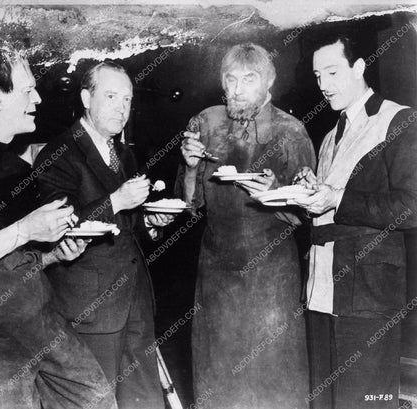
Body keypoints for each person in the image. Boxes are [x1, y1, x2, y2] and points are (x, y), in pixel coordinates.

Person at [0, 39, 116, 409]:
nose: (38, 101)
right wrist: (24, 230)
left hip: (38, 319)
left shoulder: (16, 167)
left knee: (95, 397)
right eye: (29, 90)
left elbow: (14, 260)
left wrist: (54, 254)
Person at [177, 43, 315, 409]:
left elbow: (308, 218)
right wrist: (191, 166)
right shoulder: (205, 123)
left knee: (273, 377)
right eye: (230, 79)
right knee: (217, 378)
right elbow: (190, 207)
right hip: (216, 273)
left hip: (271, 278)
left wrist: (276, 192)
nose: (236, 89)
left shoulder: (291, 131)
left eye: (248, 79)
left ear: (269, 81)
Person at [35, 61, 175, 409]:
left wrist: (152, 223)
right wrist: (117, 199)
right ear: (86, 97)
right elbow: (57, 228)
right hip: (90, 307)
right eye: (111, 96)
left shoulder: (124, 153)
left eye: (127, 99)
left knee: (142, 399)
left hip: (135, 300)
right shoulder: (59, 154)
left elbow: (126, 228)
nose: (121, 108)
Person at [291, 32, 417, 409]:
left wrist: (337, 198)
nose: (323, 86)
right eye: (317, 76)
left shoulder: (400, 119)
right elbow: (329, 206)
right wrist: (311, 191)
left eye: (332, 72)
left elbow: (412, 205)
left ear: (359, 67)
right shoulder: (330, 135)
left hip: (367, 295)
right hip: (321, 290)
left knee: (362, 402)